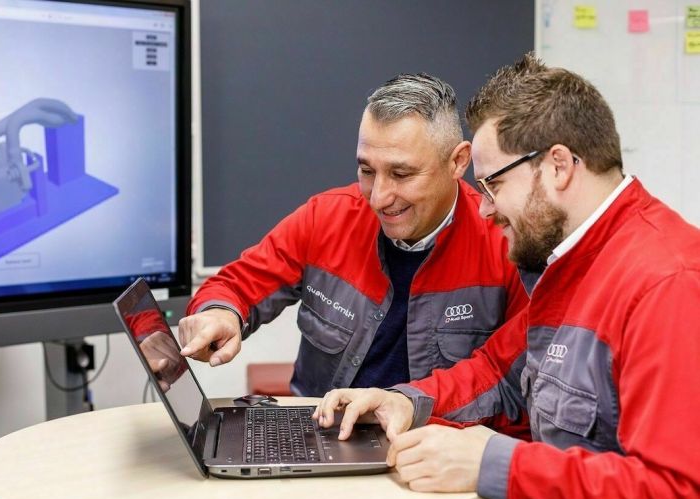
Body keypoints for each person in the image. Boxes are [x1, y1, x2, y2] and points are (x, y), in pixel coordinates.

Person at [315, 54, 700, 499]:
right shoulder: (571, 264)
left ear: (558, 166)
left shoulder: (667, 284)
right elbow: (498, 371)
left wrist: (497, 463)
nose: (487, 209)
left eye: (493, 184)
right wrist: (406, 402)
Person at [179, 74, 529, 404]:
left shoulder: (506, 244)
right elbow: (236, 285)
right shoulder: (325, 219)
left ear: (458, 162)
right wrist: (220, 314)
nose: (378, 197)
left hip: (435, 448)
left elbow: (509, 382)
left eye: (401, 173)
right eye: (367, 171)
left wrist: (410, 405)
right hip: (320, 440)